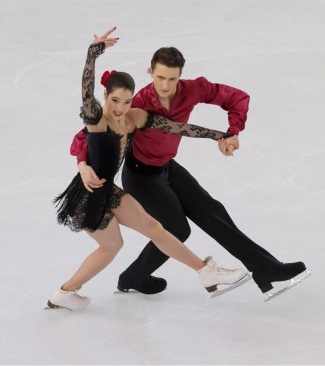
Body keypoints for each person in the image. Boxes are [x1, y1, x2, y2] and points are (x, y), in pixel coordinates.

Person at [71, 30, 307, 300]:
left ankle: (267, 269)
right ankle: (133, 277)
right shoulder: (134, 105)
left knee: (213, 212)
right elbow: (87, 136)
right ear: (150, 73)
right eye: (160, 77)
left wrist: (231, 133)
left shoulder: (193, 89)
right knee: (178, 228)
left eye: (172, 79)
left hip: (167, 168)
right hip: (140, 176)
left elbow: (234, 99)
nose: (165, 85)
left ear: (180, 76)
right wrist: (82, 164)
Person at [48, 28, 249, 311]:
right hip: (88, 193)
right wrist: (92, 53)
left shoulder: (133, 118)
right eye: (114, 100)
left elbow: (180, 128)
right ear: (105, 95)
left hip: (111, 191)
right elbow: (86, 88)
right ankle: (65, 292)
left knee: (155, 227)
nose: (119, 108)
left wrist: (221, 135)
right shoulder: (96, 119)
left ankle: (206, 271)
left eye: (127, 101)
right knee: (111, 247)